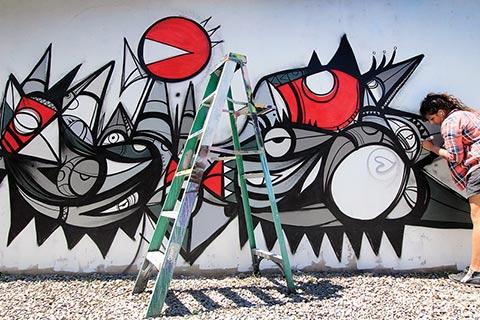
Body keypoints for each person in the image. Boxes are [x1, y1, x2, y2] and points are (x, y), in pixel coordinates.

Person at [420, 93, 480, 285]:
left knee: (478, 220)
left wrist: (431, 148)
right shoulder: (470, 115)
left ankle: (476, 271)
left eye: (432, 118)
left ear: (440, 112)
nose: (433, 123)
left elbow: (455, 156)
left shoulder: (450, 122)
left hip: (478, 169)